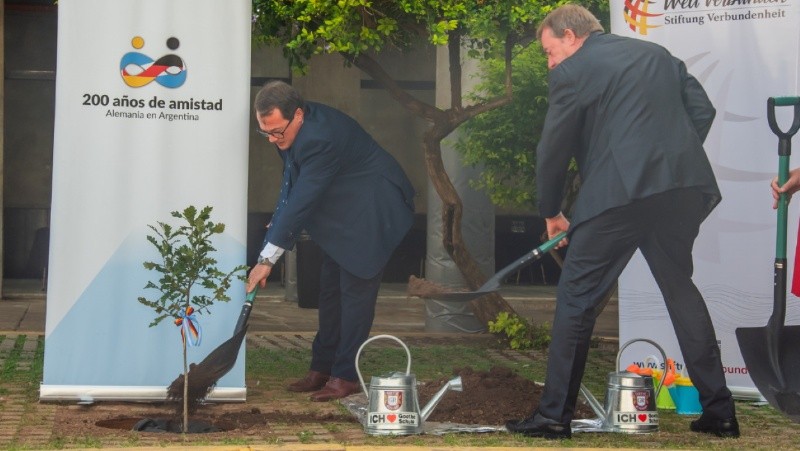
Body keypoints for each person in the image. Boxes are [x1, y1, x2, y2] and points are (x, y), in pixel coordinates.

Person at [505, 4, 739, 439]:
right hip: (679, 190)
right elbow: (701, 111)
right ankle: (720, 412)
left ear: (570, 37)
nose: (550, 62)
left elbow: (552, 149)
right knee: (680, 290)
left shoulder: (572, 71)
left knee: (577, 295)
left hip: (620, 195)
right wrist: (666, 163)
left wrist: (551, 211)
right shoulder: (657, 55)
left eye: (549, 51)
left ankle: (553, 416)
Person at [246, 80, 415, 402]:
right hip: (342, 215)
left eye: (277, 131)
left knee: (354, 297)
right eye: (264, 131)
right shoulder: (289, 132)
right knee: (330, 292)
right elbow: (291, 182)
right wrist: (277, 223)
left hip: (373, 212)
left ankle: (345, 376)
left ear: (297, 115)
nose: (271, 139)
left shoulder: (320, 138)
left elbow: (303, 199)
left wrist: (267, 259)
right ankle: (322, 368)